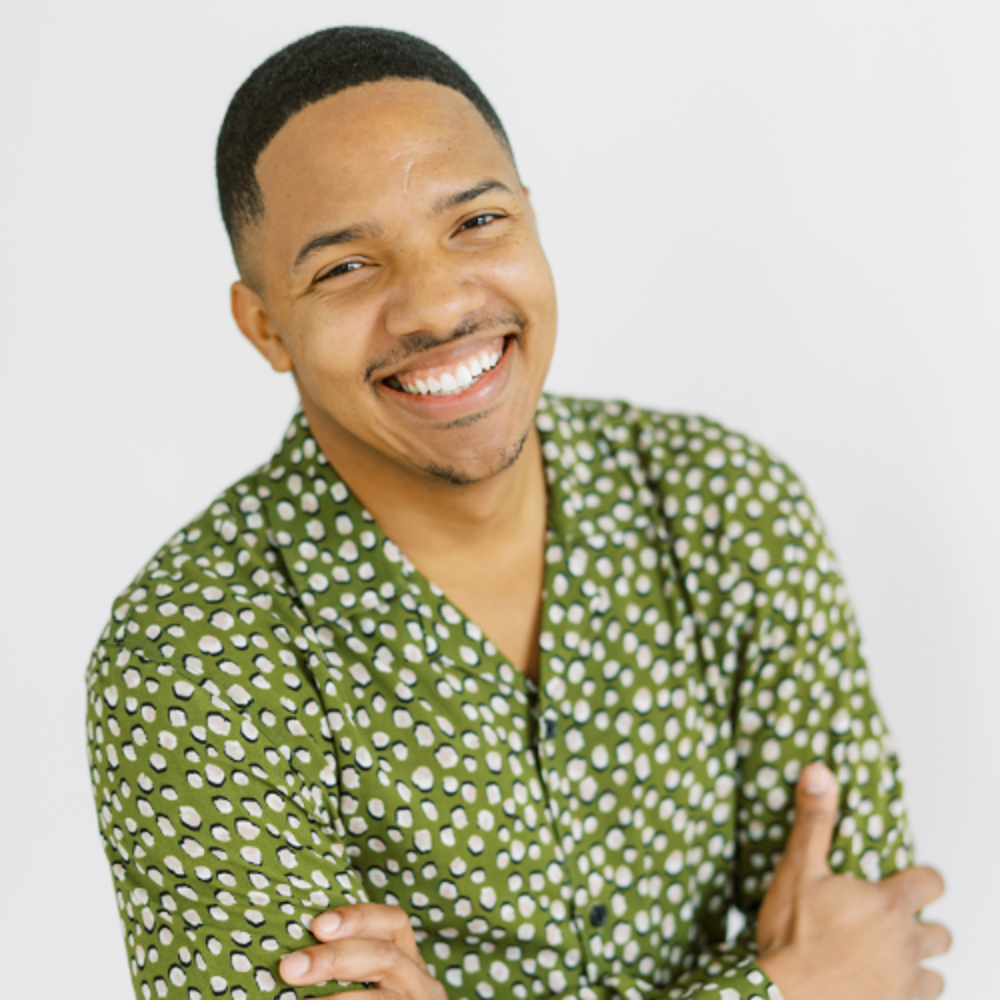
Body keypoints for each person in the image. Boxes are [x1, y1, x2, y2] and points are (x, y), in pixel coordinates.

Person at [85, 26, 951, 1000]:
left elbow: (876, 966)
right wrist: (779, 987)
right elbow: (838, 979)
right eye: (346, 267)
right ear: (265, 326)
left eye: (477, 221)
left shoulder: (724, 504)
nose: (434, 304)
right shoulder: (192, 650)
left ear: (532, 220)